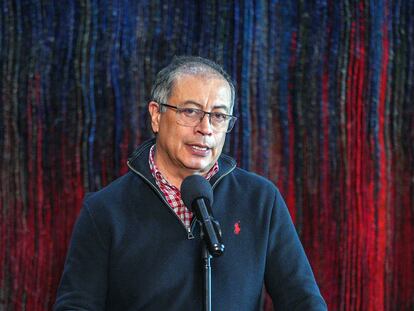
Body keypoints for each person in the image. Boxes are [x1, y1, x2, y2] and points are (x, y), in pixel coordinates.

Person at [54, 56, 327, 310]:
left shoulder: (260, 200)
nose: (205, 128)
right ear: (157, 115)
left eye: (218, 116)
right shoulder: (104, 211)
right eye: (190, 111)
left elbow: (304, 302)